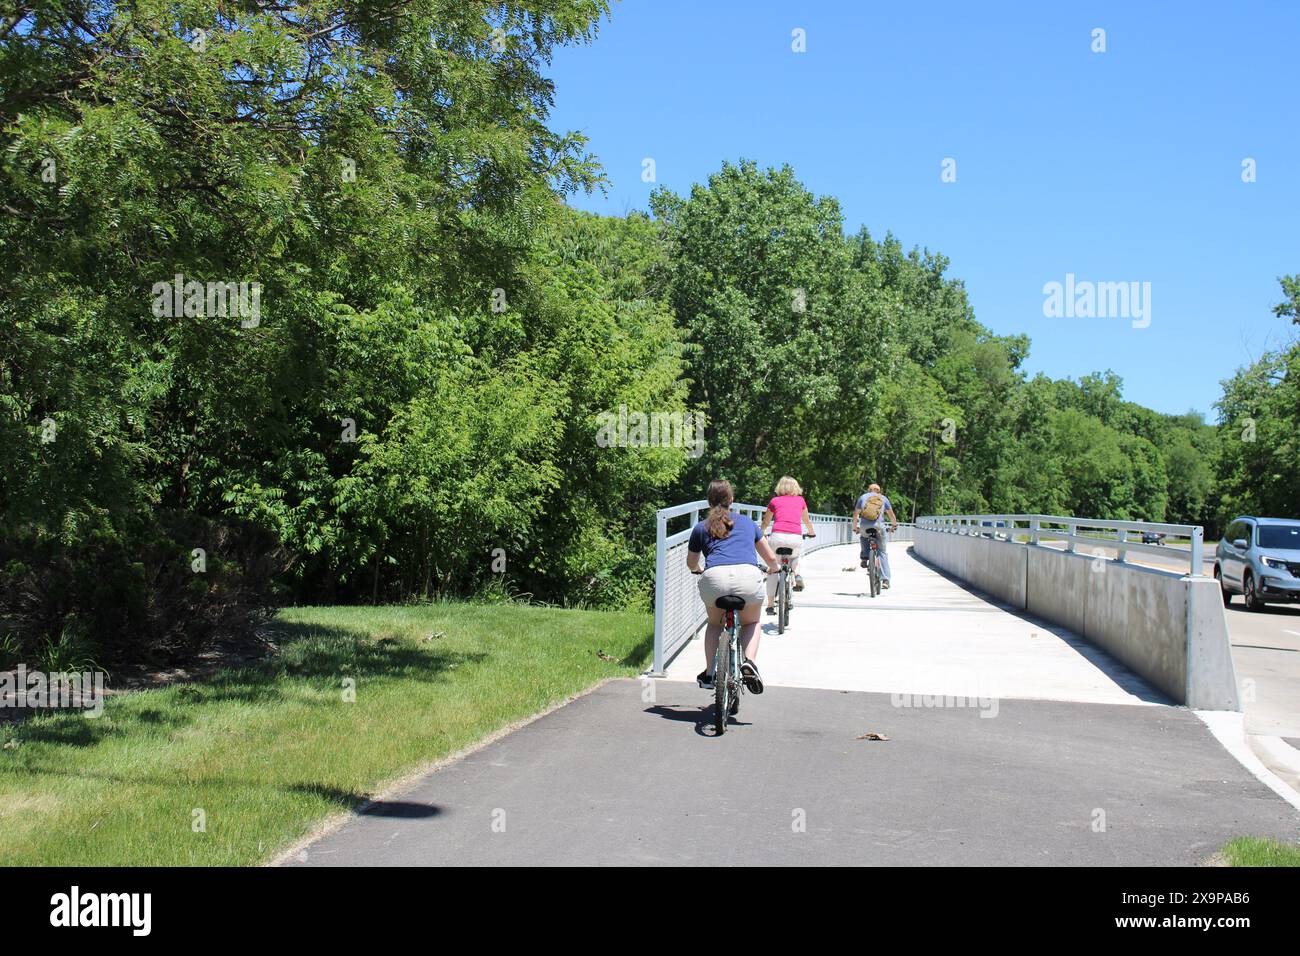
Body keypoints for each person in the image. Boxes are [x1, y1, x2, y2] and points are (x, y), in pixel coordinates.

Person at [686, 479, 779, 695]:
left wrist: (699, 569)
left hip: (714, 579)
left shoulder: (701, 527)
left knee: (714, 624)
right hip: (747, 578)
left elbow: (691, 563)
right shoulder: (747, 523)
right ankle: (749, 662)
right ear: (732, 500)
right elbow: (770, 557)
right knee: (752, 621)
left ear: (709, 501)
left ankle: (710, 673)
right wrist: (773, 568)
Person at [761, 475, 816, 615]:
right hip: (794, 537)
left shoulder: (774, 501)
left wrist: (761, 533)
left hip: (777, 537)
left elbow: (766, 522)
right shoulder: (801, 500)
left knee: (773, 568)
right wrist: (811, 532)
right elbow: (807, 521)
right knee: (796, 556)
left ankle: (770, 605)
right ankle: (797, 573)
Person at [853, 482, 898, 588]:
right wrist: (894, 526)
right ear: (879, 491)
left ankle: (864, 558)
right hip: (879, 527)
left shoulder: (863, 497)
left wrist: (855, 527)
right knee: (882, 552)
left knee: (863, 537)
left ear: (869, 490)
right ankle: (885, 580)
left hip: (865, 526)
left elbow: (855, 514)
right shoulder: (883, 498)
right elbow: (891, 515)